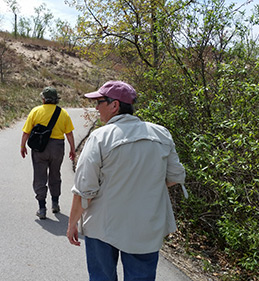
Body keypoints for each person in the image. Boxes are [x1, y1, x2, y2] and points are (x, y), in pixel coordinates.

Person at [66, 81, 186, 280]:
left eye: (99, 102)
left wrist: (72, 224)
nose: (96, 108)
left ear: (115, 105)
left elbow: (84, 188)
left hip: (102, 225)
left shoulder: (99, 137)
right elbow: (175, 177)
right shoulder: (161, 134)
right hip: (145, 226)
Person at [21, 87, 76, 219]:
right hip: (57, 147)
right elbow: (69, 133)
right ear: (56, 99)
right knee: (55, 174)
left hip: (40, 148)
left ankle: (42, 208)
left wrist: (23, 146)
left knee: (40, 176)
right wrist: (72, 149)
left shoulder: (36, 111)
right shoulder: (63, 113)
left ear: (44, 99)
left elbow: (26, 132)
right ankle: (55, 203)